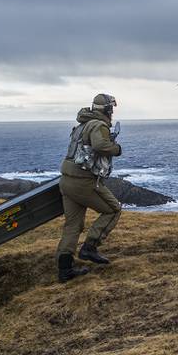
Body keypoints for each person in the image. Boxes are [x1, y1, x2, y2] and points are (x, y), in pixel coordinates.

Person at [57, 93, 124, 282]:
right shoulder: (98, 125)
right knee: (113, 209)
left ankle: (64, 269)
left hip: (67, 180)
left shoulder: (82, 125)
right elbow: (101, 145)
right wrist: (116, 149)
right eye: (112, 108)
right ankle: (90, 248)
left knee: (73, 225)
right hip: (83, 181)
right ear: (107, 110)